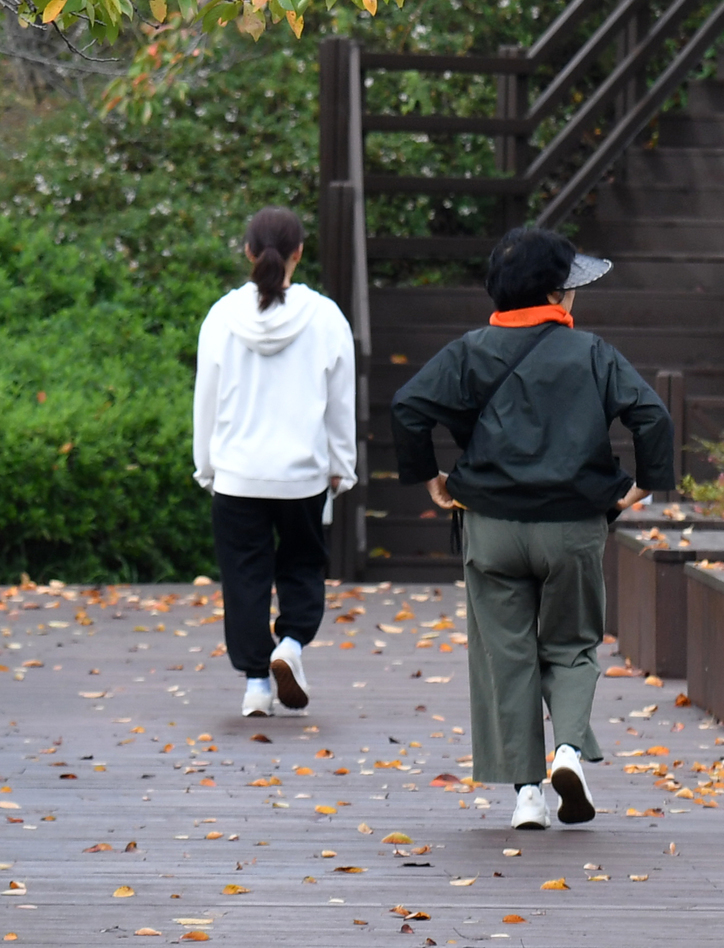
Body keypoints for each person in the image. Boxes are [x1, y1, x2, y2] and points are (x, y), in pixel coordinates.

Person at [391, 224, 674, 830]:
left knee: (506, 654)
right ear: (555, 295)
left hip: (489, 527)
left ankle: (527, 797)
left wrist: (432, 479)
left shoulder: (468, 351)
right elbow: (652, 415)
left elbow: (408, 408)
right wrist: (642, 485)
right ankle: (568, 750)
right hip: (571, 527)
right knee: (572, 645)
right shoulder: (593, 353)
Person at [193, 205, 356, 719]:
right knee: (303, 565)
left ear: (248, 252)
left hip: (238, 474)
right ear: (298, 254)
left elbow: (207, 400)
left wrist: (207, 466)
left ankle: (256, 687)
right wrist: (341, 464)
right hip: (303, 474)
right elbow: (339, 400)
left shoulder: (221, 317)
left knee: (244, 578)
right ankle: (290, 644)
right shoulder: (326, 317)